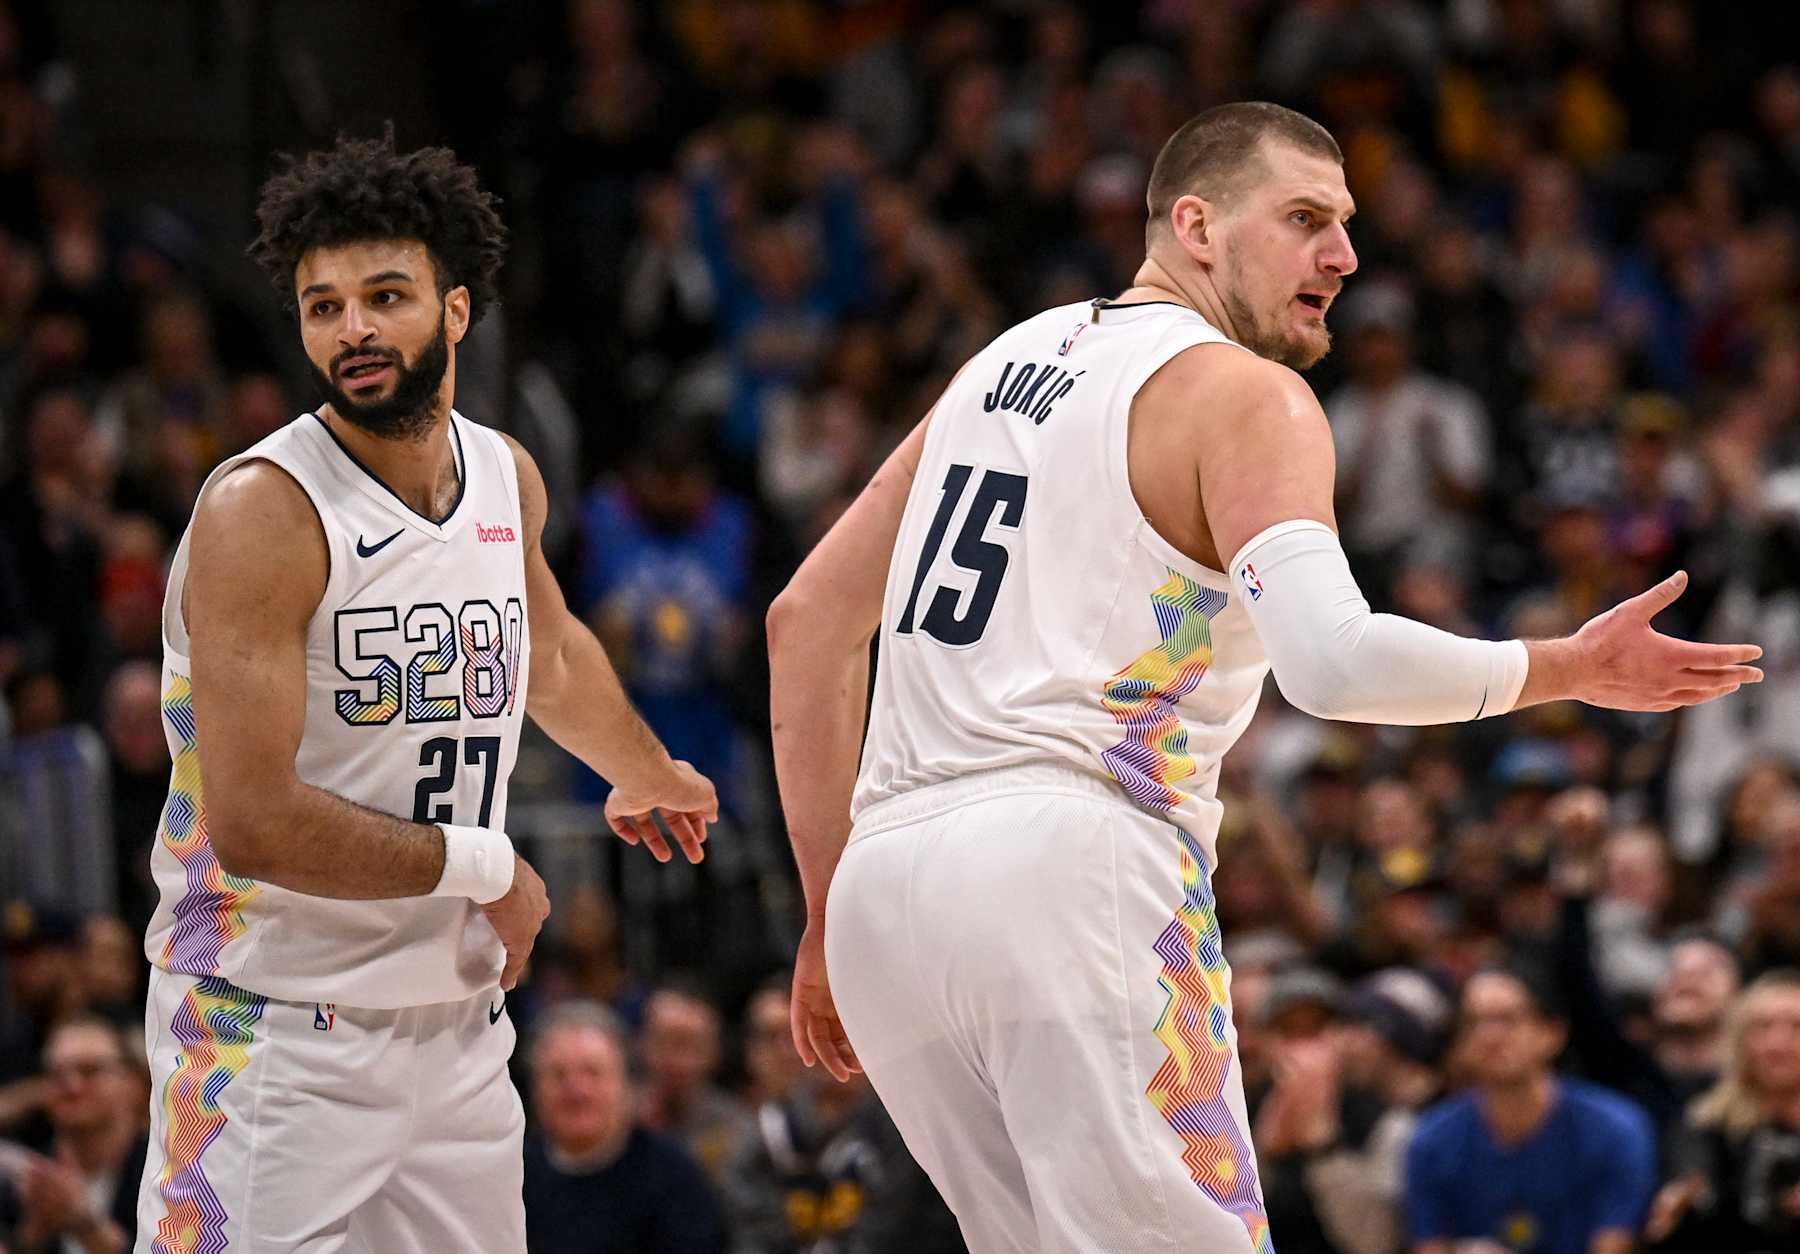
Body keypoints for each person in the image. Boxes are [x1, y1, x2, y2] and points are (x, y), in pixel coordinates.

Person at [766, 100, 1761, 1253]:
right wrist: (1568, 666)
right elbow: (1333, 663)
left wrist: (826, 912)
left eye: (1345, 224)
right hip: (1071, 857)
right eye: (1305, 220)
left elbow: (804, 623)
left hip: (888, 892)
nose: (1344, 255)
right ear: (1196, 224)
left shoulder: (996, 367)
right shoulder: (1244, 393)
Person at [131, 132, 718, 1253]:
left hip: (457, 1027)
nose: (352, 330)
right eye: (323, 306)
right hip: (272, 1031)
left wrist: (647, 769)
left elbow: (545, 652)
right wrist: (490, 866)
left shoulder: (504, 472)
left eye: (384, 296)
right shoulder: (264, 509)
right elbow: (250, 822)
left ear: (455, 310)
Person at [1405, 969, 1656, 1254]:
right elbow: (1431, 1245)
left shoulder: (1614, 1130)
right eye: (1473, 1022)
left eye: (1507, 1019)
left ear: (1552, 1033)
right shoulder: (1431, 1142)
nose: (1489, 1036)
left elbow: (1613, 1243)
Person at [521, 1001, 728, 1254]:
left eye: (593, 1073)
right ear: (535, 1090)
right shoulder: (512, 1174)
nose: (576, 1090)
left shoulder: (674, 1178)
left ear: (626, 1085)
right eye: (558, 1075)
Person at [1646, 970, 1800, 1252]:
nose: (1778, 1044)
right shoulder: (1705, 1121)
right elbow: (1690, 1181)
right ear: (1741, 1040)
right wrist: (1682, 1200)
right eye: (1763, 1027)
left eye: (1796, 1027)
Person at [0, 1016, 148, 1253]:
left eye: (90, 1071)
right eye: (56, 1074)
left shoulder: (167, 1172)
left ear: (134, 1083)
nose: (71, 1085)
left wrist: (86, 1224)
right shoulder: (23, 1180)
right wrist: (31, 1235)